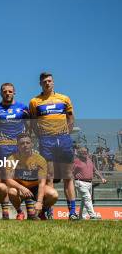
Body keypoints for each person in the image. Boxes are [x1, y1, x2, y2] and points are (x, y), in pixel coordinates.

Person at [29, 72, 78, 220]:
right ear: (40, 84)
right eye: (44, 82)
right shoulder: (35, 101)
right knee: (49, 176)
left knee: (68, 176)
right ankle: (49, 212)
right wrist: (41, 136)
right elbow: (33, 122)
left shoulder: (64, 98)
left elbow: (70, 117)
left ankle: (72, 212)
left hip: (63, 139)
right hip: (46, 141)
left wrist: (66, 133)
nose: (47, 83)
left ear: (53, 82)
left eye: (49, 81)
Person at [0, 83, 29, 219]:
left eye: (10, 91)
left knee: (24, 178)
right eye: (5, 91)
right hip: (3, 149)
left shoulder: (23, 108)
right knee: (5, 180)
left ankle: (29, 211)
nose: (7, 93)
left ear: (14, 92)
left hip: (20, 150)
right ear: (1, 93)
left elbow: (29, 127)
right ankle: (5, 213)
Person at [6, 133, 58, 220]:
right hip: (20, 188)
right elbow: (8, 180)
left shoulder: (40, 159)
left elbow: (42, 183)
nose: (25, 145)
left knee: (54, 195)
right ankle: (20, 212)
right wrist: (22, 188)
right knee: (11, 191)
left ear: (32, 144)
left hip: (35, 187)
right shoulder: (11, 159)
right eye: (22, 143)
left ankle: (41, 212)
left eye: (27, 143)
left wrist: (39, 202)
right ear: (17, 146)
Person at [73, 147, 107, 220]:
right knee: (87, 198)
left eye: (86, 151)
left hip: (89, 183)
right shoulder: (76, 161)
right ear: (79, 153)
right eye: (83, 152)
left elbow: (95, 170)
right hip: (80, 182)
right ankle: (93, 215)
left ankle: (81, 216)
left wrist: (102, 178)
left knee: (84, 200)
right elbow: (71, 172)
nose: (85, 153)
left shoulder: (89, 160)